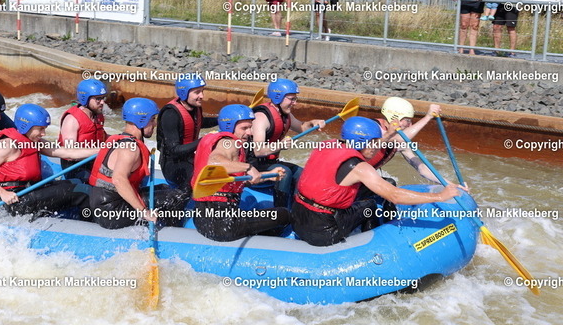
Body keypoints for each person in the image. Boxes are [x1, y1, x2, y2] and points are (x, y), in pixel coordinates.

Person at [291, 116, 464, 247]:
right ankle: (374, 245)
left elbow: (366, 148)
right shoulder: (360, 168)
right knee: (370, 206)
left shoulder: (328, 145)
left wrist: (388, 134)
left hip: (299, 217)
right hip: (324, 231)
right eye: (374, 142)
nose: (377, 147)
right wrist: (440, 196)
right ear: (362, 142)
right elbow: (394, 195)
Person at [0, 104, 97, 218]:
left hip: (31, 190)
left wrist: (101, 150)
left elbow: (68, 153)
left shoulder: (33, 141)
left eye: (44, 128)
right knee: (83, 191)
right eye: (40, 129)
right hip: (16, 200)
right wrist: (3, 193)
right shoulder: (8, 145)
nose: (43, 133)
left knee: (77, 182)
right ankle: (93, 222)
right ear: (26, 126)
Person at [191, 104, 290, 242]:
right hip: (223, 224)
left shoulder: (218, 140)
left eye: (250, 127)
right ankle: (267, 245)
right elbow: (213, 163)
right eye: (244, 128)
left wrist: (268, 176)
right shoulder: (229, 144)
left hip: (204, 219)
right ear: (229, 127)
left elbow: (240, 181)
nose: (250, 133)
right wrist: (248, 167)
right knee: (284, 214)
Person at [89, 98, 186, 229]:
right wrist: (144, 212)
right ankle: (171, 233)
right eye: (152, 119)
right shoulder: (130, 149)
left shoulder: (122, 139)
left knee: (165, 188)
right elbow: (118, 180)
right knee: (176, 197)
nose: (155, 124)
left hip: (106, 203)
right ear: (142, 120)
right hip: (111, 212)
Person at [249, 79, 325, 208]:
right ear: (278, 97)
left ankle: (297, 209)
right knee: (284, 173)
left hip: (270, 162)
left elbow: (302, 127)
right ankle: (280, 211)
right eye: (291, 99)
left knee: (301, 172)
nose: (295, 103)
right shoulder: (261, 118)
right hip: (253, 166)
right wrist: (280, 145)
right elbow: (258, 151)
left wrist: (313, 123)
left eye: (295, 99)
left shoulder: (285, 114)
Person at [156, 74, 217, 192]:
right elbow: (174, 150)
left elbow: (198, 123)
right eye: (197, 92)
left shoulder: (194, 107)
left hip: (189, 159)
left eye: (202, 91)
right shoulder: (170, 114)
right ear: (184, 93)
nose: (202, 96)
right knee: (204, 182)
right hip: (173, 166)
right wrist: (204, 140)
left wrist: (221, 120)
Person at [366, 97, 444, 184]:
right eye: (407, 120)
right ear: (394, 118)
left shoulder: (399, 142)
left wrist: (449, 185)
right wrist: (428, 117)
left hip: (362, 175)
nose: (410, 125)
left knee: (390, 182)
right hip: (355, 174)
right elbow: (399, 139)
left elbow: (422, 169)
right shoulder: (373, 128)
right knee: (390, 183)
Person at [57, 79, 108, 180]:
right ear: (85, 98)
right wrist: (99, 151)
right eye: (98, 99)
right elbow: (70, 152)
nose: (102, 102)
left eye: (103, 98)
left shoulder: (97, 115)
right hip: (75, 166)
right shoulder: (71, 119)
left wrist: (119, 140)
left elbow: (102, 136)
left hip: (93, 159)